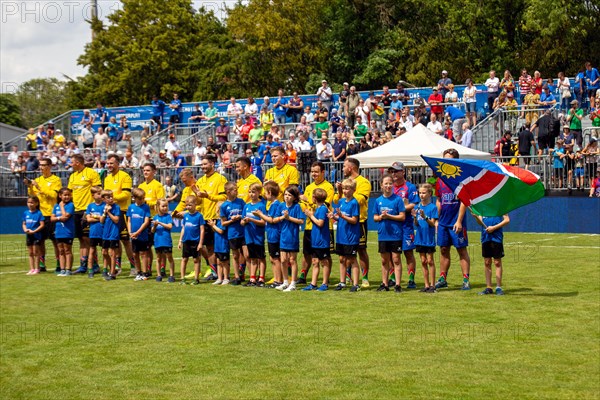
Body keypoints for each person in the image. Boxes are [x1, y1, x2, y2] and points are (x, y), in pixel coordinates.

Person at [434, 148, 471, 290]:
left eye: (449, 159)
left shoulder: (460, 179)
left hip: (456, 222)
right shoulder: (440, 179)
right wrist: (437, 219)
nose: (446, 162)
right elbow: (438, 200)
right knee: (443, 249)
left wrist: (459, 221)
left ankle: (466, 280)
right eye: (444, 159)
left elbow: (464, 201)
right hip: (443, 222)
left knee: (461, 250)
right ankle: (443, 278)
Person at [334, 157, 371, 287]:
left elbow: (360, 200)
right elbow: (336, 200)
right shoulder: (345, 184)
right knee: (344, 252)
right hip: (344, 222)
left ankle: (364, 277)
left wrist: (348, 192)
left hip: (358, 221)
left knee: (361, 250)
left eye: (344, 166)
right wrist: (340, 191)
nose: (342, 169)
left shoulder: (364, 182)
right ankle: (347, 277)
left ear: (351, 168)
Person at [298, 161, 335, 283]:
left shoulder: (328, 187)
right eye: (312, 171)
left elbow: (325, 204)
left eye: (316, 171)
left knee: (326, 255)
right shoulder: (309, 187)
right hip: (309, 226)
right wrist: (305, 205)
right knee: (307, 253)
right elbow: (303, 205)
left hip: (324, 227)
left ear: (323, 172)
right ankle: (303, 276)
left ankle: (326, 279)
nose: (314, 174)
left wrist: (307, 200)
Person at [193, 155, 228, 280]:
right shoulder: (200, 180)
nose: (202, 167)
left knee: (219, 247)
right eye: (201, 164)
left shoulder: (220, 179)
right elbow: (198, 201)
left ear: (212, 164)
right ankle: (214, 273)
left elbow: (224, 198)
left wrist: (207, 195)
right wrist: (196, 197)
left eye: (205, 164)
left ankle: (223, 273)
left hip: (216, 217)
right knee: (208, 247)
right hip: (204, 217)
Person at [25, 158, 61, 272]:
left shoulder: (56, 180)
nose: (41, 167)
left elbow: (54, 196)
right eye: (40, 165)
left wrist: (39, 188)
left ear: (50, 166)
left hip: (52, 214)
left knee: (56, 241)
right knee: (40, 242)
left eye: (44, 165)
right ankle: (41, 264)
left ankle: (59, 264)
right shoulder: (38, 179)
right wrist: (30, 186)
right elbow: (32, 196)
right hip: (40, 215)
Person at [102, 153, 136, 276]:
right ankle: (117, 266)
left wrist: (111, 199)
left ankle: (133, 267)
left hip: (122, 212)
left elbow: (126, 195)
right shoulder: (107, 178)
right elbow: (104, 195)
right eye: (108, 163)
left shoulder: (125, 176)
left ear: (118, 164)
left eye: (112, 163)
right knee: (115, 241)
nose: (109, 165)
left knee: (126, 241)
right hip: (110, 212)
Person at [67, 154, 101, 274]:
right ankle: (83, 265)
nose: (71, 164)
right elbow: (70, 192)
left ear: (78, 162)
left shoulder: (91, 173)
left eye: (72, 162)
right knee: (81, 239)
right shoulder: (72, 176)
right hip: (76, 211)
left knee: (89, 239)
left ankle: (94, 264)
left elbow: (98, 190)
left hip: (87, 210)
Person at [388, 161, 419, 289]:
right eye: (392, 171)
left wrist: (402, 208)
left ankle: (411, 279)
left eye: (396, 171)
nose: (394, 173)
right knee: (391, 253)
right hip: (392, 225)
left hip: (406, 224)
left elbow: (414, 203)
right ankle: (392, 277)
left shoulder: (410, 187)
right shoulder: (389, 187)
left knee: (408, 252)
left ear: (403, 172)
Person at [373, 174, 406, 292]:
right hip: (383, 235)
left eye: (390, 183)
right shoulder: (378, 201)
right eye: (385, 183)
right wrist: (381, 217)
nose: (388, 186)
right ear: (381, 185)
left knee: (396, 259)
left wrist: (389, 216)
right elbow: (375, 217)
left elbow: (402, 217)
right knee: (384, 260)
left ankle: (397, 285)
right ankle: (385, 284)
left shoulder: (397, 200)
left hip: (395, 234)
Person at [331, 178, 361, 292]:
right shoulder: (342, 201)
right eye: (343, 188)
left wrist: (342, 216)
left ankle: (356, 284)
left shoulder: (354, 203)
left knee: (352, 259)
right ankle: (342, 282)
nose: (344, 191)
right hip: (341, 236)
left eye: (347, 188)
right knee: (342, 259)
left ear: (353, 190)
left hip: (351, 237)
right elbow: (340, 217)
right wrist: (333, 217)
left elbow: (354, 220)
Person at [252, 181, 283, 288]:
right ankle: (276, 279)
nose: (264, 194)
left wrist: (260, 214)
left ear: (270, 192)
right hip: (271, 234)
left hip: (275, 234)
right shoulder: (272, 204)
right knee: (272, 258)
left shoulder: (276, 205)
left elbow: (272, 220)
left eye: (265, 192)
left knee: (276, 258)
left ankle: (278, 280)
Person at [274, 185, 304, 292]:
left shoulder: (297, 207)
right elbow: (276, 219)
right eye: (285, 194)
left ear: (295, 197)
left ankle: (293, 283)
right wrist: (283, 217)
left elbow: (301, 221)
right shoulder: (281, 206)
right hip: (283, 236)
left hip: (292, 237)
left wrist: (289, 218)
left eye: (289, 195)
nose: (287, 197)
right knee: (283, 260)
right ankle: (285, 281)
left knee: (292, 260)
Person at [301, 188, 332, 291]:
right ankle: (313, 284)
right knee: (315, 261)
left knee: (324, 262)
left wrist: (310, 216)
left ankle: (325, 283)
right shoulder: (318, 208)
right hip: (315, 240)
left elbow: (320, 223)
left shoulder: (323, 208)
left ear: (314, 197)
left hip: (322, 241)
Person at [473, 213, 510, 295]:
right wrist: (476, 217)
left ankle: (498, 287)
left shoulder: (500, 205)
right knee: (487, 262)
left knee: (497, 262)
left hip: (497, 238)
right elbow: (480, 222)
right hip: (485, 238)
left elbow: (507, 220)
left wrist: (494, 228)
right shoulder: (483, 206)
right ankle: (488, 287)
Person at [241, 183, 267, 287]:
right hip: (249, 236)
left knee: (260, 257)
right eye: (250, 192)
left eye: (254, 192)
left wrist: (251, 219)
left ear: (259, 192)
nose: (251, 194)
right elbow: (242, 221)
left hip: (258, 236)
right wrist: (243, 222)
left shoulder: (261, 206)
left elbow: (263, 221)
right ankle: (252, 278)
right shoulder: (246, 206)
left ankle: (261, 278)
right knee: (252, 258)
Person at [413, 183, 438, 293]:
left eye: (424, 193)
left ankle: (433, 285)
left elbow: (433, 223)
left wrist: (425, 217)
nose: (421, 195)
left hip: (429, 237)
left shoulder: (432, 208)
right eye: (420, 193)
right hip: (420, 237)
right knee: (423, 261)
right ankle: (426, 285)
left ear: (429, 193)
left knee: (430, 261)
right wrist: (415, 217)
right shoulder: (417, 206)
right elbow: (416, 224)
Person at [220, 182, 246, 285]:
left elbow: (245, 214)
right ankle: (236, 276)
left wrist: (240, 217)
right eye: (235, 190)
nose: (237, 191)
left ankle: (250, 276)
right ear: (228, 192)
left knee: (246, 254)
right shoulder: (224, 206)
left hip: (243, 232)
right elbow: (223, 223)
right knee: (235, 255)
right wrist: (232, 220)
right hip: (232, 233)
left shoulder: (241, 202)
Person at [178, 195, 205, 285]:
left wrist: (200, 243)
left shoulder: (199, 216)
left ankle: (196, 278)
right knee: (184, 259)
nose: (188, 207)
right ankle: (182, 278)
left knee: (196, 260)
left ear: (195, 204)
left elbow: (202, 230)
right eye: (187, 205)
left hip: (195, 241)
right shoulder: (185, 216)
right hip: (186, 241)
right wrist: (180, 240)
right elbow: (183, 228)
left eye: (190, 205)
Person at [127, 188, 151, 281]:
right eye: (140, 199)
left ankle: (145, 273)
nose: (142, 200)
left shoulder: (145, 207)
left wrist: (137, 232)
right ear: (134, 198)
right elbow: (129, 221)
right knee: (135, 254)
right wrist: (130, 232)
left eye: (143, 198)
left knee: (143, 253)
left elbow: (146, 222)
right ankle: (138, 272)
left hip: (142, 235)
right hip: (133, 235)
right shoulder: (131, 207)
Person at [52, 188, 75, 276]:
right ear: (60, 196)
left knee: (67, 250)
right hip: (58, 231)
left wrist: (61, 207)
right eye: (65, 195)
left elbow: (65, 217)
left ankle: (68, 269)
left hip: (67, 231)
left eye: (68, 195)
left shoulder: (70, 205)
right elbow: (52, 218)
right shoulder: (55, 206)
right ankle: (62, 269)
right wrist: (58, 218)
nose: (67, 197)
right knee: (61, 251)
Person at [152, 198, 176, 283]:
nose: (165, 208)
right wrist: (154, 226)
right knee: (158, 258)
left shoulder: (168, 216)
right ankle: (159, 275)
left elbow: (170, 226)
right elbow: (152, 231)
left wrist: (160, 223)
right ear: (158, 206)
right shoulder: (155, 217)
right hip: (158, 241)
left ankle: (172, 275)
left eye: (166, 206)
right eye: (163, 206)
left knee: (169, 258)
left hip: (166, 241)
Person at [85, 186, 105, 278]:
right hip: (93, 232)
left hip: (103, 232)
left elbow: (104, 219)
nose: (100, 195)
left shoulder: (105, 205)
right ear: (93, 195)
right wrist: (99, 218)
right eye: (98, 193)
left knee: (105, 252)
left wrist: (96, 217)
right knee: (92, 251)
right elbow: (88, 219)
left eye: (101, 193)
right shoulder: (90, 206)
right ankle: (90, 270)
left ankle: (105, 269)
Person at [100, 190, 120, 280]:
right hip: (105, 233)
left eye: (112, 196)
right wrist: (104, 212)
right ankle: (113, 270)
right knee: (104, 252)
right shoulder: (103, 207)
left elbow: (116, 219)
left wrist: (109, 212)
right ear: (103, 199)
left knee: (112, 253)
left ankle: (112, 274)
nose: (111, 198)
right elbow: (101, 221)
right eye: (108, 197)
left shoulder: (116, 207)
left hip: (113, 233)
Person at [23, 195, 45, 275]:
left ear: (36, 203)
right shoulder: (25, 213)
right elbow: (24, 223)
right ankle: (31, 269)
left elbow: (42, 225)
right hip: (29, 235)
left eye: (32, 202)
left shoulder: (39, 213)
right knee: (30, 253)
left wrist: (34, 231)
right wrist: (25, 229)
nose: (30, 204)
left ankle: (37, 268)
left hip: (36, 235)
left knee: (36, 252)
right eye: (28, 202)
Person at [206, 216, 230, 285]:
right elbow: (215, 231)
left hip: (223, 244)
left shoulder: (223, 220)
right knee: (218, 262)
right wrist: (212, 226)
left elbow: (221, 231)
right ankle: (219, 278)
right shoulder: (218, 220)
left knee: (224, 262)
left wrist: (213, 225)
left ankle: (226, 278)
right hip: (217, 245)